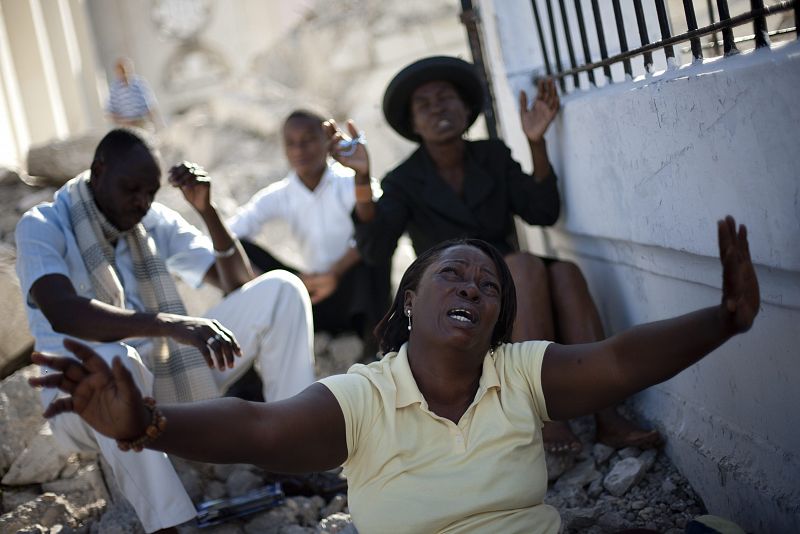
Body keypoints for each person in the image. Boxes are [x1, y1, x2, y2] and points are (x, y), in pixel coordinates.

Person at [30, 217, 759, 533]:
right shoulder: (366, 395)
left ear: (500, 320)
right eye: (454, 275)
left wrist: (722, 319)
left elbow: (616, 360)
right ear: (411, 300)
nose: (472, 287)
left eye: (489, 285)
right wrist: (149, 426)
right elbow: (261, 427)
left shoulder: (522, 373)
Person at [327, 55, 659, 453]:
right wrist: (363, 179)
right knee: (522, 265)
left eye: (446, 98)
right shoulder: (402, 180)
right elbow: (374, 247)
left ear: (467, 109)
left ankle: (607, 415)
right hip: (450, 290)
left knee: (566, 272)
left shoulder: (493, 156)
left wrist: (536, 143)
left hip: (511, 280)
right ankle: (545, 414)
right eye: (424, 105)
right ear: (413, 125)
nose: (437, 109)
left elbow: (542, 210)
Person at [15, 128, 315, 533]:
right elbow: (64, 312)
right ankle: (171, 524)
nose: (141, 202)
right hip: (85, 399)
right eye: (131, 189)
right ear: (98, 172)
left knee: (281, 289)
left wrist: (208, 212)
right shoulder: (43, 224)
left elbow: (236, 281)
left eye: (150, 192)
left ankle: (290, 454)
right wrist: (170, 325)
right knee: (115, 361)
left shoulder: (151, 221)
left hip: (168, 374)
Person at [227, 110, 389, 361]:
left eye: (308, 140)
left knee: (374, 251)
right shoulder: (280, 195)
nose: (299, 149)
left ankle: (375, 345)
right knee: (236, 249)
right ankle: (250, 350)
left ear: (327, 142)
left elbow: (376, 227)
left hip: (355, 293)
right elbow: (231, 234)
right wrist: (284, 282)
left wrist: (335, 273)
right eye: (291, 143)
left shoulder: (349, 182)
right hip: (310, 295)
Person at [106, 58, 165, 130]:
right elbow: (111, 111)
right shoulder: (114, 88)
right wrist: (122, 122)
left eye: (125, 70)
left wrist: (158, 122)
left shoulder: (139, 83)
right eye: (121, 71)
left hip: (142, 121)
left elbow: (151, 104)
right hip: (126, 125)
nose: (124, 73)